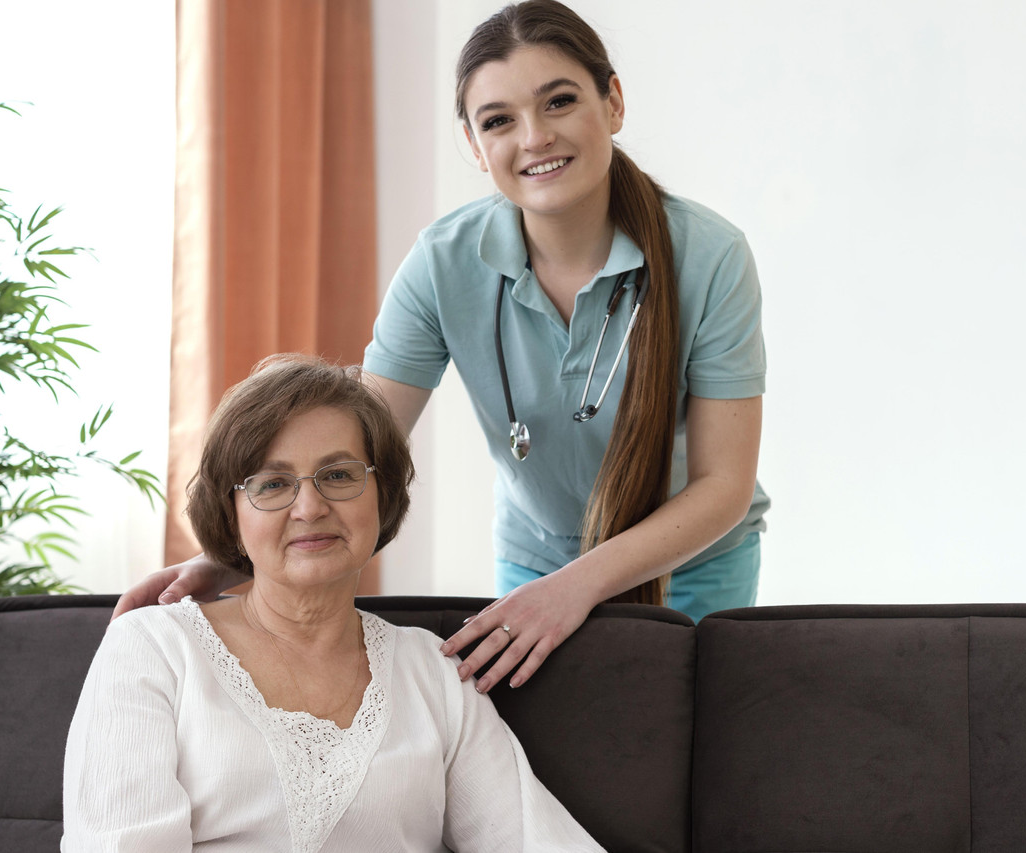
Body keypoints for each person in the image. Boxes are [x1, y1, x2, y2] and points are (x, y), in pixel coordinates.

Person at [115, 0, 767, 697]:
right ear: (474, 144)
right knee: (542, 755)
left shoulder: (709, 256)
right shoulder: (443, 262)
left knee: (685, 750)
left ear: (613, 102)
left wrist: (576, 588)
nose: (535, 137)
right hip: (536, 561)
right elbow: (357, 439)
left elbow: (722, 486)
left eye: (559, 101)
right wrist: (235, 556)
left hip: (693, 561)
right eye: (499, 120)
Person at [63, 354, 603, 851]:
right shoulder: (153, 648)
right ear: (231, 514)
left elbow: (536, 841)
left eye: (339, 475)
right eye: (272, 484)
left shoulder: (433, 671)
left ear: (383, 495)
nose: (309, 507)